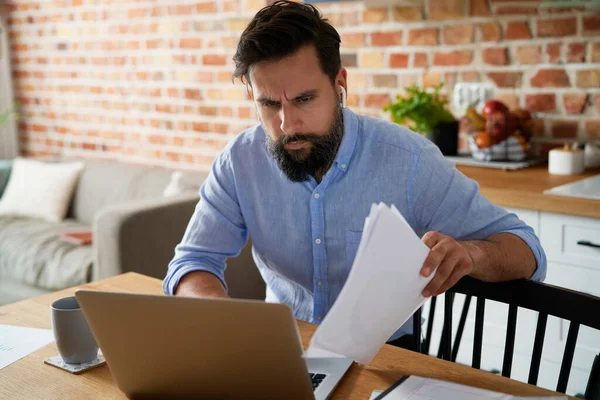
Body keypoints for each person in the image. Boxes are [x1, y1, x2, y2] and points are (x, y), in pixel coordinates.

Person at [162, 1, 546, 350]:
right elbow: (191, 263)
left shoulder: (410, 161)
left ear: (339, 84)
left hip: (385, 358)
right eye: (268, 104)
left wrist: (471, 253)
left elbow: (529, 251)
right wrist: (220, 315)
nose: (287, 123)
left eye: (304, 99)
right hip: (281, 350)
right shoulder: (239, 161)